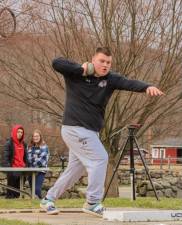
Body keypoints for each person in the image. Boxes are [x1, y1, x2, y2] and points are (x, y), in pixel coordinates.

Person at [40, 47, 164, 216]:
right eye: (102, 61)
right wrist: (82, 69)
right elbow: (57, 62)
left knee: (75, 170)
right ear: (93, 60)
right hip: (75, 128)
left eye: (108, 63)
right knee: (100, 158)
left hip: (90, 132)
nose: (105, 65)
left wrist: (147, 86)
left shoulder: (110, 79)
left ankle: (48, 199)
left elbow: (129, 83)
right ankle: (92, 202)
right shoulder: (76, 75)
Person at [3, 125, 27, 198]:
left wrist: (27, 166)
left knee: (19, 191)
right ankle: (9, 201)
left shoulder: (24, 144)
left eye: (21, 132)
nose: (20, 133)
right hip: (12, 170)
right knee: (11, 192)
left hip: (22, 170)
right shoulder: (9, 144)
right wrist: (9, 170)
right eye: (18, 132)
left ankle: (17, 200)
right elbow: (5, 157)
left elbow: (25, 157)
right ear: (14, 132)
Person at [27, 129, 49, 199]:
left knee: (37, 189)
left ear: (40, 137)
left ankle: (41, 200)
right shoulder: (29, 147)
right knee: (33, 191)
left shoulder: (44, 146)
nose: (35, 138)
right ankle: (36, 204)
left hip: (40, 171)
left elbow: (42, 160)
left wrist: (33, 164)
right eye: (34, 136)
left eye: (37, 136)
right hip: (30, 171)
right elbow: (27, 158)